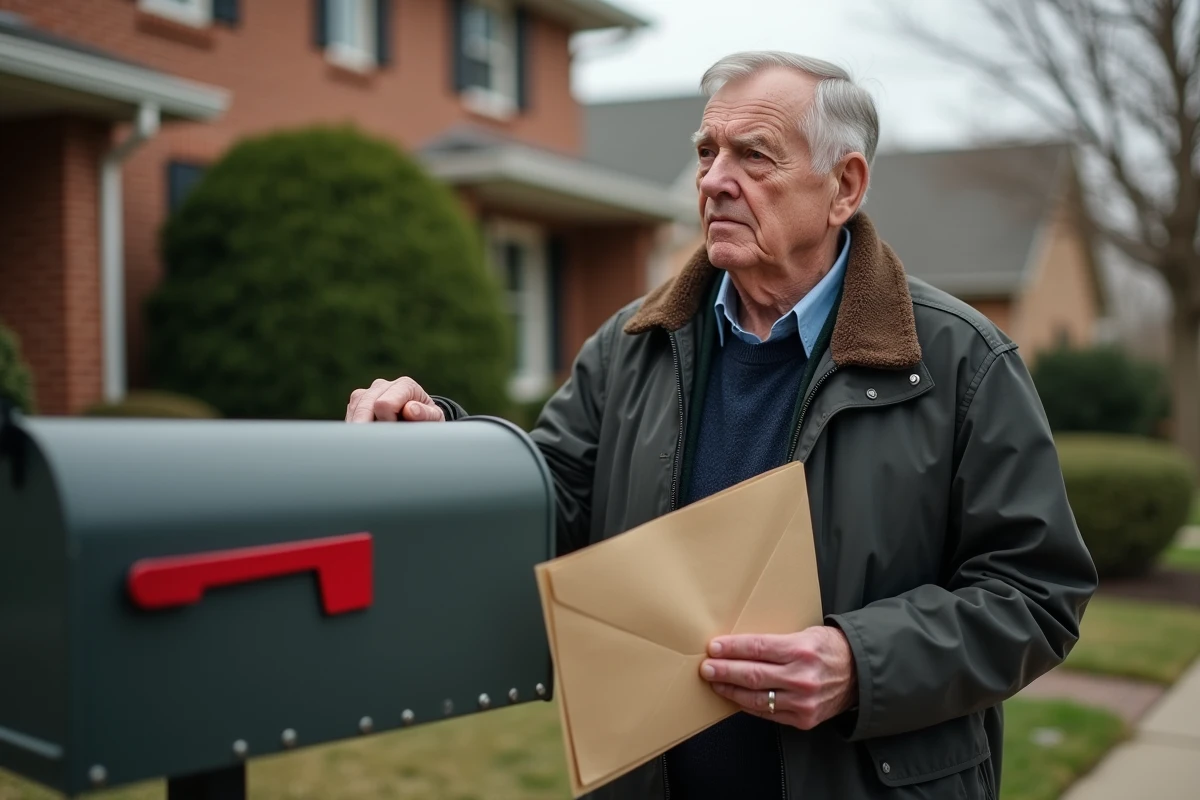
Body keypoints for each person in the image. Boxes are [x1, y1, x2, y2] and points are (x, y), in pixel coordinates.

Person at [346, 51, 1097, 800]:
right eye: (707, 152)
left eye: (753, 156)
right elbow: (552, 506)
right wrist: (440, 441)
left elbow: (1035, 591)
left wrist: (862, 665)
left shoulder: (962, 361)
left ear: (845, 186)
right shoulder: (631, 347)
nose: (713, 180)